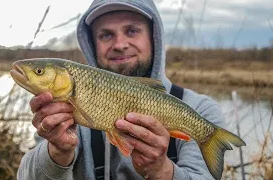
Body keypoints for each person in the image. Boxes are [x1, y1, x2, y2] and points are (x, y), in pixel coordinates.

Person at [17, 0, 226, 179]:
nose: (120, 44)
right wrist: (57, 152)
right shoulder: (62, 108)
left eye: (132, 31)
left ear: (153, 37)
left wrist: (162, 171)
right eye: (106, 35)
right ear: (92, 44)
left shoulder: (202, 110)